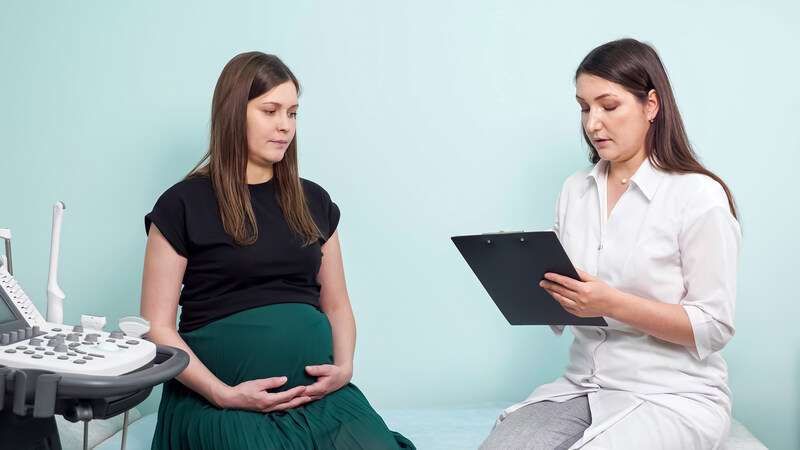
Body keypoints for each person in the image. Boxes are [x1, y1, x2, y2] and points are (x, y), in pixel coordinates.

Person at [140, 52, 415, 449]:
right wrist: (222, 393)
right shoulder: (182, 204)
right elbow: (156, 326)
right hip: (221, 403)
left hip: (320, 400)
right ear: (233, 114)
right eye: (270, 111)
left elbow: (337, 304)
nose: (285, 125)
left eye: (292, 113)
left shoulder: (314, 201)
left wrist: (344, 368)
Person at [480, 38, 741, 449]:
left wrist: (612, 304)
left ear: (651, 105)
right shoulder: (575, 190)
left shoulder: (698, 196)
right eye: (585, 108)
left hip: (671, 394)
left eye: (609, 106)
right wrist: (520, 273)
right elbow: (565, 304)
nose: (592, 124)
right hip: (584, 386)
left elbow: (714, 325)